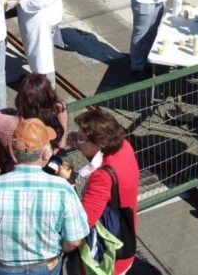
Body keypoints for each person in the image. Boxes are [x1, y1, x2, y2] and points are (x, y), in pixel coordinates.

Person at [0, 119, 88, 275]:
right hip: (48, 266)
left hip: (2, 269)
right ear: (46, 154)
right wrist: (59, 251)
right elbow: (74, 241)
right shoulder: (63, 189)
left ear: (13, 152)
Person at [65, 109, 140, 275]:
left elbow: (82, 224)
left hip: (108, 258)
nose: (78, 140)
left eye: (81, 138)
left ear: (98, 144)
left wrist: (69, 185)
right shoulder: (124, 146)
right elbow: (97, 157)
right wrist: (78, 143)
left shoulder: (102, 177)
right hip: (126, 237)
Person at [0, 73, 68, 173]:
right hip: (50, 163)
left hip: (18, 170)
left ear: (21, 99)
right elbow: (61, 144)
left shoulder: (14, 123)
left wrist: (10, 111)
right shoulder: (59, 110)